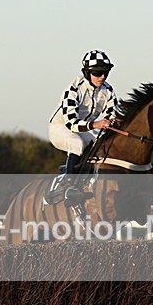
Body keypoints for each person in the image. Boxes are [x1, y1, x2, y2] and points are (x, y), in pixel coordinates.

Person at [44, 49, 119, 205]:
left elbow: (111, 115)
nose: (102, 77)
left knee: (102, 144)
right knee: (77, 144)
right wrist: (98, 124)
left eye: (105, 72)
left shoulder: (108, 90)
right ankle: (68, 186)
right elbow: (72, 123)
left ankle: (88, 181)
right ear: (87, 72)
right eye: (98, 73)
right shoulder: (74, 89)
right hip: (61, 128)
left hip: (84, 128)